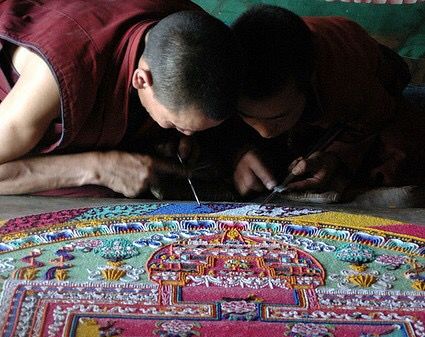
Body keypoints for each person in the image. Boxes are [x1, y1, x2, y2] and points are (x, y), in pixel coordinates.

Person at [0, 0, 241, 197]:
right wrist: (98, 168)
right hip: (17, 117)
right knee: (97, 193)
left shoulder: (191, 25)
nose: (186, 135)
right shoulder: (61, 74)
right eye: (176, 125)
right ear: (141, 80)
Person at [230, 5, 425, 202]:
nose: (265, 132)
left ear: (308, 85)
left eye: (279, 117)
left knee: (399, 166)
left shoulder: (347, 78)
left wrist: (335, 157)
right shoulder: (225, 72)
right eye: (249, 116)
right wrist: (238, 152)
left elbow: (371, 120)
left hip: (376, 84)